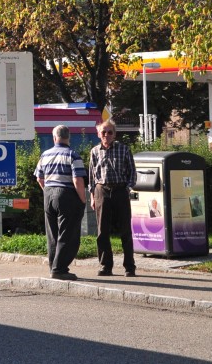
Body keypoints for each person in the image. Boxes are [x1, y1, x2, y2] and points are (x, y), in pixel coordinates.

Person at [34, 124, 88, 280]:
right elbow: (77, 179)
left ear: (54, 138)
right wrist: (82, 199)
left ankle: (53, 266)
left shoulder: (45, 155)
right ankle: (60, 269)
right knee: (67, 233)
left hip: (49, 194)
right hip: (66, 195)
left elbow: (39, 178)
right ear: (68, 137)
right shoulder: (72, 155)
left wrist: (47, 190)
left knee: (52, 233)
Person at [88, 119, 137, 277]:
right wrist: (92, 196)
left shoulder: (124, 149)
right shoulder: (94, 151)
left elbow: (132, 173)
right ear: (98, 134)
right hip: (102, 191)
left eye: (110, 132)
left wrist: (127, 188)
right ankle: (105, 266)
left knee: (125, 231)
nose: (106, 135)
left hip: (120, 191)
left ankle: (129, 266)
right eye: (103, 132)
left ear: (115, 134)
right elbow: (91, 176)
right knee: (102, 232)